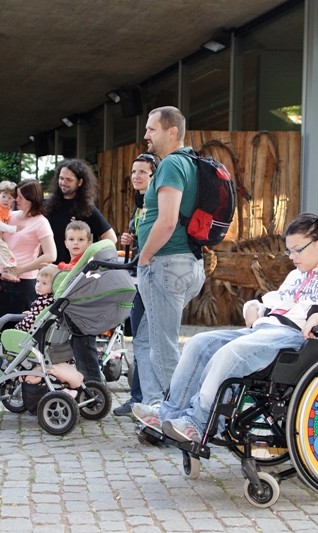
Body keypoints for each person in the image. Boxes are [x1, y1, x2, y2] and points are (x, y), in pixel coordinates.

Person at [132, 214, 318, 446]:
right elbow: (273, 301)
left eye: (297, 249)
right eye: (289, 250)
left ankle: (199, 421)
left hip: (293, 337)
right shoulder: (296, 276)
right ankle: (167, 415)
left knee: (232, 352)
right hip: (264, 329)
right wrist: (253, 307)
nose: (292, 256)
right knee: (199, 343)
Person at [133, 106, 205, 406]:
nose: (146, 135)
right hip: (185, 261)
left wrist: (144, 257)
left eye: (152, 129)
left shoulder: (172, 165)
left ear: (171, 131)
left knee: (162, 347)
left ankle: (179, 415)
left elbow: (167, 220)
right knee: (145, 339)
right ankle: (154, 409)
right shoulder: (192, 162)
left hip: (166, 263)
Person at [113, 153, 158, 416]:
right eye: (133, 171)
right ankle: (138, 397)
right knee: (140, 340)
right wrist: (129, 240)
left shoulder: (157, 205)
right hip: (137, 277)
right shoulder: (139, 204)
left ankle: (144, 399)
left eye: (143, 172)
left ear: (154, 177)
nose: (136, 176)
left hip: (151, 279)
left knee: (147, 341)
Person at [0, 180, 56, 317]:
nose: (16, 199)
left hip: (24, 282)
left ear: (32, 199)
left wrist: (21, 269)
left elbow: (51, 255)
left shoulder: (41, 222)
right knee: (2, 327)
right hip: (1, 279)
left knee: (21, 328)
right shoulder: (10, 216)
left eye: (20, 196)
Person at [45, 159, 117, 265]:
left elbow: (111, 237)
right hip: (48, 271)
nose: (63, 183)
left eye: (69, 180)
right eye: (61, 178)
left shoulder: (87, 208)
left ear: (80, 182)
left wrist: (90, 257)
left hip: (75, 272)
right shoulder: (46, 205)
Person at [57, 220, 101, 383]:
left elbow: (73, 273)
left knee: (84, 351)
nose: (76, 243)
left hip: (83, 316)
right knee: (80, 350)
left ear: (89, 243)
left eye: (81, 240)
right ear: (65, 243)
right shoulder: (72, 263)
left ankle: (94, 387)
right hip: (75, 315)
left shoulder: (86, 262)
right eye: (72, 239)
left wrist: (58, 267)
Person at [14, 264, 58, 332]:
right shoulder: (52, 299)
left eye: (44, 283)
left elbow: (31, 322)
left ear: (55, 286)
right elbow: (41, 315)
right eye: (37, 281)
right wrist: (31, 313)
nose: (38, 286)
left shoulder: (43, 301)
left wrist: (17, 328)